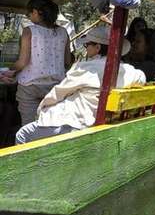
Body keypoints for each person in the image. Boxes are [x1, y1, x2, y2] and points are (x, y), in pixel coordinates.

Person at [15, 26, 146, 144]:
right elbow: (142, 77)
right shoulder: (130, 71)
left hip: (75, 123)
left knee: (22, 135)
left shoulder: (85, 68)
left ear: (98, 47)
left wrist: (41, 109)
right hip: (99, 122)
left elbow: (57, 94)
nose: (86, 48)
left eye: (87, 45)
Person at [1, 0, 72, 125]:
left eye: (30, 13)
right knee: (50, 124)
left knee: (28, 125)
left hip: (30, 87)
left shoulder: (29, 31)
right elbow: (67, 62)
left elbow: (22, 62)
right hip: (55, 87)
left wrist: (10, 70)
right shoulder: (63, 32)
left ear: (36, 12)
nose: (28, 16)